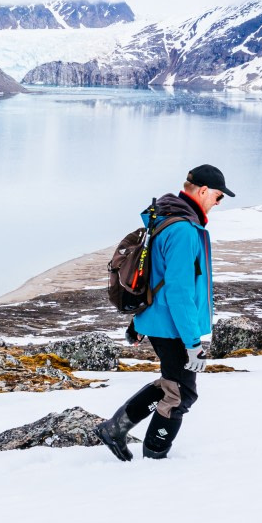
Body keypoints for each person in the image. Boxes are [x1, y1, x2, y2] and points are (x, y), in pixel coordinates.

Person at [96, 164, 233, 461]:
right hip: (173, 327)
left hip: (160, 321)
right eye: (219, 197)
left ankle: (115, 429)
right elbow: (179, 291)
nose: (218, 204)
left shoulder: (166, 218)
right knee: (181, 394)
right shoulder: (183, 229)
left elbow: (153, 274)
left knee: (172, 386)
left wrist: (138, 322)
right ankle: (155, 455)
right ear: (204, 191)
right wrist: (192, 343)